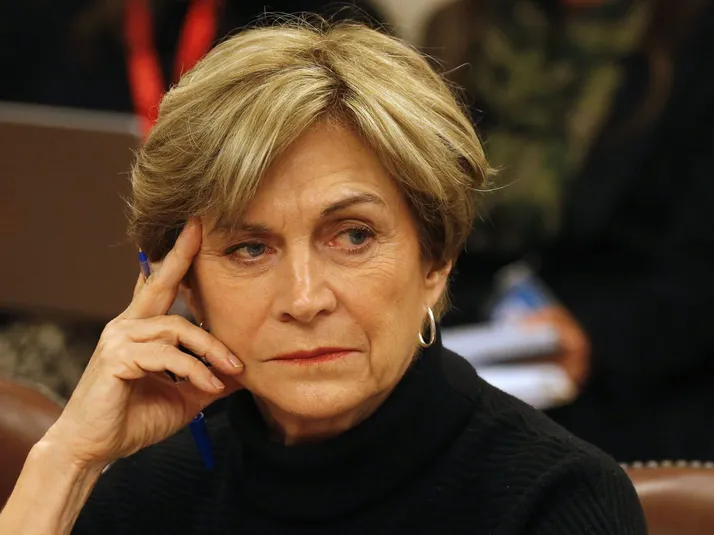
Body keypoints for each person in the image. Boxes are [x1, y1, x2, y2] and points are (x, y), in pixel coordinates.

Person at [0, 20, 645, 534]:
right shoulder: (145, 494)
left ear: (436, 260)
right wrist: (67, 461)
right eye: (251, 248)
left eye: (353, 236)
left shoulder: (557, 501)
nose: (305, 299)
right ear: (185, 285)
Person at [425, 0, 714, 462]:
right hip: (468, 340)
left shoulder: (692, 40)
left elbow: (696, 274)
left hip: (635, 378)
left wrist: (595, 337)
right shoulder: (458, 30)